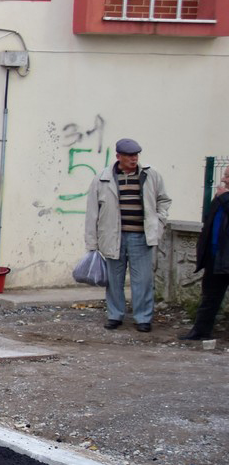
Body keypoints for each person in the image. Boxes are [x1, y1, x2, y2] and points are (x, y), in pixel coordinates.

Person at [85, 137, 171, 332]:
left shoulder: (150, 175)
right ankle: (115, 315)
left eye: (136, 155)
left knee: (143, 280)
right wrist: (91, 243)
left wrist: (159, 220)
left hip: (141, 237)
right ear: (118, 156)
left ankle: (143, 318)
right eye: (129, 156)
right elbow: (92, 213)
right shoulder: (102, 179)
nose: (134, 159)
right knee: (114, 280)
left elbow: (164, 199)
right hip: (113, 237)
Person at [181, 168, 229, 341]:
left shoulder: (224, 197)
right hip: (215, 256)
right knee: (210, 296)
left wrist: (224, 197)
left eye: (227, 175)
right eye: (224, 174)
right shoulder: (221, 198)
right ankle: (200, 331)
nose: (223, 179)